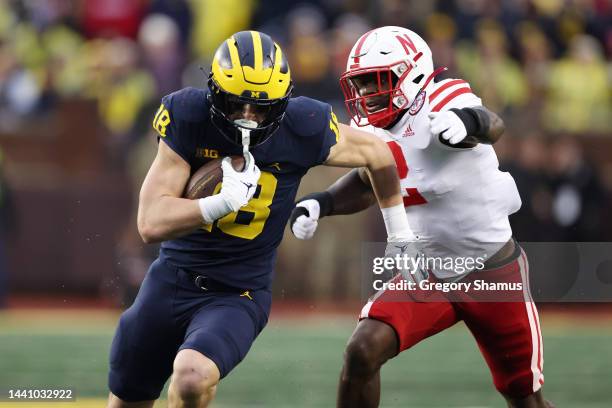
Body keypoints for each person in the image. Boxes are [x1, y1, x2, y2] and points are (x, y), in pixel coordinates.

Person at [106, 30, 415, 408]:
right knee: (126, 400)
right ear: (214, 94)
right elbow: (150, 222)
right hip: (170, 279)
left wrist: (399, 230)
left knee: (191, 377)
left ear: (282, 103)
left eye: (262, 107)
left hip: (238, 292)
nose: (248, 117)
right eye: (236, 105)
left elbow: (378, 153)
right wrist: (219, 204)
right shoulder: (189, 116)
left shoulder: (304, 125)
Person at [290, 26, 553, 408]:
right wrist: (323, 202)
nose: (366, 95)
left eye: (376, 82)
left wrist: (469, 123)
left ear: (412, 74)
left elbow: (492, 123)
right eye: (360, 85)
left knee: (526, 401)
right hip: (428, 272)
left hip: (492, 272)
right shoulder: (371, 128)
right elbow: (368, 181)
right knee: (362, 350)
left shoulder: (443, 97)